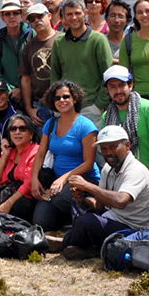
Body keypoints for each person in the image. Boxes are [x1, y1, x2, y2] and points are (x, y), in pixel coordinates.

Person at [47, 125, 149, 258]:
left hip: (135, 228)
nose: (108, 153)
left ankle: (65, 243)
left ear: (127, 145)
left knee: (86, 222)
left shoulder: (136, 170)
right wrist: (82, 199)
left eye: (113, 147)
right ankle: (88, 246)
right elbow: (99, 205)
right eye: (104, 149)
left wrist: (88, 186)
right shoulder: (108, 168)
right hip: (114, 218)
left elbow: (120, 201)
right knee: (79, 210)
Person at [30, 81, 100, 231]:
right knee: (41, 222)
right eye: (57, 98)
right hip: (58, 182)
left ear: (75, 99)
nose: (62, 100)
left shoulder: (86, 126)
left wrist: (64, 179)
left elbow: (89, 163)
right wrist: (34, 179)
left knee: (60, 198)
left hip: (84, 179)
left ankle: (87, 214)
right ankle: (68, 219)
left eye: (66, 96)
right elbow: (40, 153)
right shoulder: (51, 123)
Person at [100, 65, 149, 199]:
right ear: (106, 90)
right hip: (122, 179)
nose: (118, 90)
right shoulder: (106, 116)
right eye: (113, 86)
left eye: (122, 85)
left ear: (131, 85)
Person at [0, 114, 40, 220]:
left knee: (23, 204)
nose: (17, 132)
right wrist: (4, 155)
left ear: (31, 134)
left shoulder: (36, 151)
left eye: (22, 129)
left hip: (23, 197)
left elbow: (28, 183)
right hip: (6, 194)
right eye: (13, 129)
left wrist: (9, 203)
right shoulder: (10, 152)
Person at [0, 0, 30, 104]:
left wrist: (22, 88)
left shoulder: (33, 36)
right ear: (2, 18)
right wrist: (11, 90)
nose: (12, 17)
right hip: (10, 98)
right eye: (7, 14)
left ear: (22, 15)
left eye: (15, 13)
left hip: (34, 96)